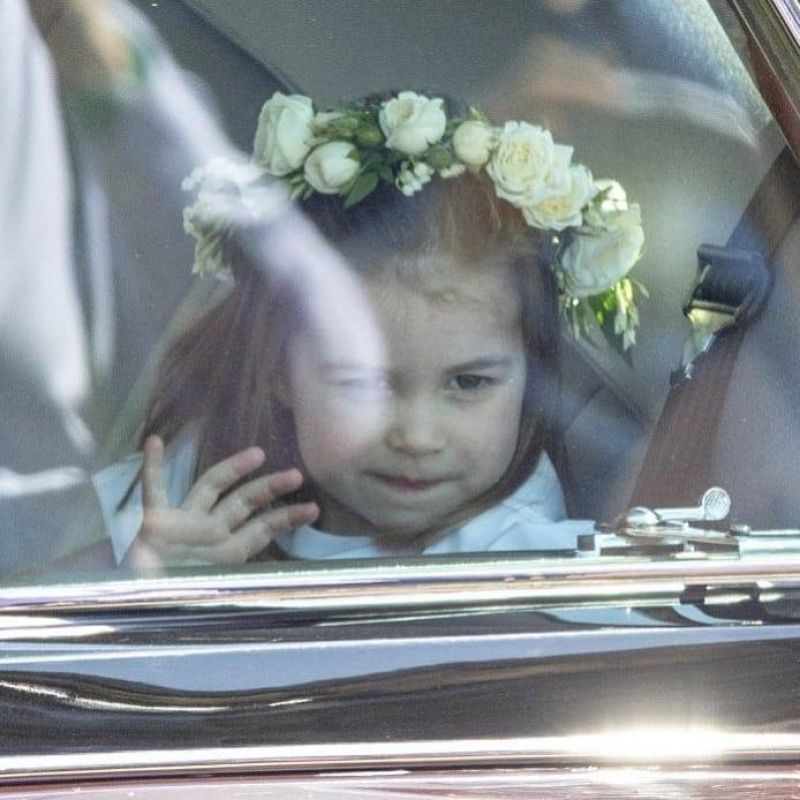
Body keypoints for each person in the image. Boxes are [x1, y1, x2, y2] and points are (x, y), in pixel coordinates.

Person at [91, 90, 645, 568]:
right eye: (363, 383)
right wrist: (149, 580)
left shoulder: (528, 562)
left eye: (469, 382)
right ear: (280, 369)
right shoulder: (204, 484)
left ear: (531, 373)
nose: (417, 437)